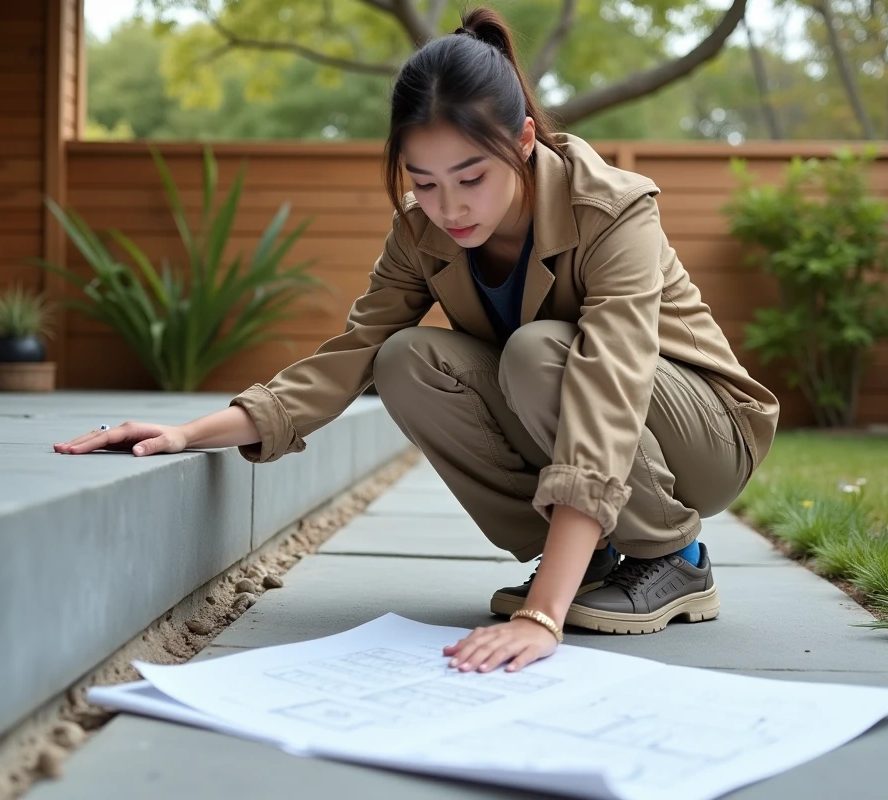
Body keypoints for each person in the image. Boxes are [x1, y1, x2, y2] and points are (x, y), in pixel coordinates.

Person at [55, 6, 779, 676]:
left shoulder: (611, 209)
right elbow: (353, 352)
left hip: (705, 434)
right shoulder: (421, 232)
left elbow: (609, 383)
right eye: (424, 182)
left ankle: (674, 555)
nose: (450, 206)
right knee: (405, 358)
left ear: (524, 140)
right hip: (587, 406)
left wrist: (541, 615)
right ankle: (589, 559)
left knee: (538, 351)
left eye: (471, 176)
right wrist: (190, 434)